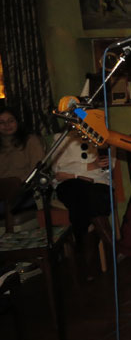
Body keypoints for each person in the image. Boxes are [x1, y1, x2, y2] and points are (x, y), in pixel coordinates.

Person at [50, 133, 115, 270]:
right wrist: (89, 167)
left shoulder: (103, 135)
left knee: (90, 195)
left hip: (99, 184)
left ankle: (85, 255)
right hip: (69, 184)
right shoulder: (62, 137)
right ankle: (113, 248)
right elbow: (58, 170)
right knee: (83, 192)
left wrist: (75, 171)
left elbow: (110, 165)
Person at [0, 106, 45, 215]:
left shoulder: (31, 141)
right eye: (2, 122)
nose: (7, 125)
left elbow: (37, 171)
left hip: (25, 192)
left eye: (11, 121)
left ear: (17, 122)